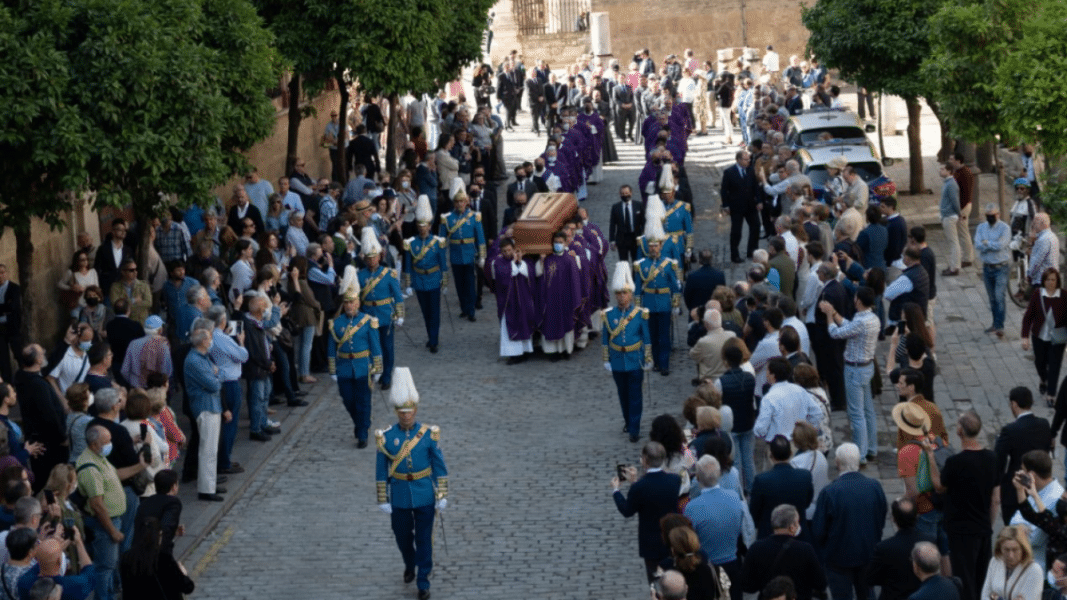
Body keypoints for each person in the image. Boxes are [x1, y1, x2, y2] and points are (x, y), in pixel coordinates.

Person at [375, 367, 447, 600]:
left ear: (416, 410)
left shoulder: (428, 435)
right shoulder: (386, 437)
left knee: (424, 539)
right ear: (397, 412)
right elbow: (380, 470)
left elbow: (439, 465)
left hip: (425, 493)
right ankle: (409, 562)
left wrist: (442, 493)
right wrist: (383, 498)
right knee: (402, 536)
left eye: (410, 411)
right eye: (403, 412)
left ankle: (423, 581)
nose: (407, 416)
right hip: (400, 496)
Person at [928, 410, 999, 600]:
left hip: (961, 532)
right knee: (982, 579)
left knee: (964, 583)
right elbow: (995, 499)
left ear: (959, 430)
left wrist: (929, 456)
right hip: (983, 530)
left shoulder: (955, 462)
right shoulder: (992, 459)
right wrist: (988, 526)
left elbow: (938, 486)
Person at [812, 443, 888, 600]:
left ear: (837, 463)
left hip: (837, 559)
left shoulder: (829, 492)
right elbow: (881, 517)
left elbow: (819, 531)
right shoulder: (874, 487)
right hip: (867, 554)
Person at [76, 425, 143, 600]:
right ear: (94, 444)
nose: (110, 444)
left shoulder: (99, 458)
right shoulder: (90, 468)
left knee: (111, 564)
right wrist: (112, 531)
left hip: (115, 519)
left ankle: (112, 591)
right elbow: (97, 505)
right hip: (106, 523)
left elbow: (116, 474)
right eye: (106, 442)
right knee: (105, 566)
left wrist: (140, 466)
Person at [684, 455, 755, 600]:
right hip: (732, 564)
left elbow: (690, 540)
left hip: (706, 568)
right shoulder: (734, 497)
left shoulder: (691, 508)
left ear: (697, 478)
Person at [823, 286, 881, 462]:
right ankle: (871, 448)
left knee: (856, 414)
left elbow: (835, 333)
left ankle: (860, 455)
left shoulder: (861, 321)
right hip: (867, 367)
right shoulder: (871, 318)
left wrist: (828, 315)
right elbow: (851, 327)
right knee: (868, 410)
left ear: (859, 301)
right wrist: (835, 315)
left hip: (855, 370)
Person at [612, 441, 682, 582]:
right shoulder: (675, 480)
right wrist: (635, 482)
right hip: (672, 538)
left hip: (650, 544)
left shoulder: (640, 487)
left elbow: (627, 510)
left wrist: (616, 490)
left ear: (644, 460)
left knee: (655, 582)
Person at [329, 268, 383, 447]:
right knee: (348, 400)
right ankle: (359, 423)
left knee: (363, 401)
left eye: (352, 302)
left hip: (363, 367)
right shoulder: (337, 323)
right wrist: (332, 370)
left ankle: (363, 432)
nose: (349, 306)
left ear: (358, 303)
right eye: (346, 303)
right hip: (344, 368)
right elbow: (332, 348)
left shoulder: (368, 321)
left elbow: (375, 347)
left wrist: (378, 368)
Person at [603, 263, 652, 443]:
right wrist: (606, 359)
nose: (622, 297)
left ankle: (635, 428)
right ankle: (627, 420)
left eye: (624, 293)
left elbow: (646, 337)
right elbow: (604, 338)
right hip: (617, 361)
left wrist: (647, 357)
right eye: (618, 293)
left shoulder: (640, 314)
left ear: (631, 294)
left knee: (635, 396)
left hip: (634, 360)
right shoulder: (608, 315)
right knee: (623, 396)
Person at [740, 504, 826, 600]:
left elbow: (747, 586)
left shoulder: (756, 548)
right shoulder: (805, 549)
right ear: (792, 526)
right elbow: (821, 583)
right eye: (797, 522)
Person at [12, 345, 68, 490]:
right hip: (48, 444)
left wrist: (65, 343)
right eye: (42, 353)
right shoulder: (38, 385)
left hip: (38, 438)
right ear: (37, 359)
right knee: (49, 483)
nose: (44, 354)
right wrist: (62, 438)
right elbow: (49, 415)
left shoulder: (22, 376)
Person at [183, 323, 228, 501]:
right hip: (205, 406)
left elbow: (215, 377)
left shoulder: (203, 357)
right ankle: (206, 489)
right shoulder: (195, 360)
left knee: (211, 449)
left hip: (211, 404)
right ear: (202, 341)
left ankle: (210, 483)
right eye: (209, 339)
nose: (211, 342)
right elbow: (214, 384)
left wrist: (217, 374)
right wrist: (219, 375)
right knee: (208, 450)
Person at [995, 387, 1052, 524]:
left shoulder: (1010, 430)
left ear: (1014, 404)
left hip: (1015, 488)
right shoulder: (1044, 424)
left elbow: (998, 461)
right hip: (1040, 486)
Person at [357, 228, 404, 391]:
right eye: (368, 258)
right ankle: (373, 373)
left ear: (379, 256)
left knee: (387, 347)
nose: (371, 260)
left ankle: (386, 377)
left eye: (374, 257)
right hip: (368, 315)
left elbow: (397, 296)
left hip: (385, 315)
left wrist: (400, 315)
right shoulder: (360, 276)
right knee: (370, 347)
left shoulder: (388, 273)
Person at [404, 196, 448, 353]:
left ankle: (434, 340)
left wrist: (445, 282)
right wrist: (408, 284)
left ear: (430, 226)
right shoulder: (411, 243)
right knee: (425, 312)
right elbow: (408, 265)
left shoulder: (437, 242)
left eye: (425, 225)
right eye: (420, 225)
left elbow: (443, 264)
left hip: (434, 279)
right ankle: (430, 336)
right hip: (419, 280)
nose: (423, 228)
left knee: (434, 311)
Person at [866, 498, 935, 600]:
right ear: (916, 516)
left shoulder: (884, 547)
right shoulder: (930, 541)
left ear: (894, 519)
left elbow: (871, 578)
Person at [749, 436, 814, 539]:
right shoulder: (805, 476)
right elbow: (807, 502)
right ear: (790, 453)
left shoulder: (761, 480)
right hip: (798, 533)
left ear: (771, 455)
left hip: (770, 534)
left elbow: (754, 511)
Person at [1009, 450, 1064, 569]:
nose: (1019, 473)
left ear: (1032, 475)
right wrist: (1020, 527)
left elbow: (1034, 538)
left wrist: (1018, 528)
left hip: (1039, 567)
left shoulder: (1055, 499)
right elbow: (1015, 519)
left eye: (1023, 470)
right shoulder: (1037, 490)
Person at [439, 186, 486, 322]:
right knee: (459, 285)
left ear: (466, 202)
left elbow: (480, 238)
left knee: (470, 283)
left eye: (462, 201)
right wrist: (441, 258)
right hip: (455, 254)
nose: (459, 204)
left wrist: (482, 256)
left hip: (469, 254)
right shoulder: (447, 218)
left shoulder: (474, 217)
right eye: (457, 202)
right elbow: (442, 240)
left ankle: (471, 310)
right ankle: (464, 308)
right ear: (454, 203)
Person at [119, 517, 194, 600]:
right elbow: (188, 587)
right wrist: (183, 573)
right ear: (159, 535)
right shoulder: (164, 558)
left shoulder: (127, 557)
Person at [752, 358, 823, 443]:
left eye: (767, 371)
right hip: (800, 441)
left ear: (772, 375)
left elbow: (761, 428)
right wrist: (806, 429)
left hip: (779, 445)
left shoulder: (769, 398)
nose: (766, 374)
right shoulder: (800, 390)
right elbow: (817, 413)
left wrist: (762, 433)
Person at [1025, 268, 1067, 408]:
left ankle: (1051, 395)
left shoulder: (1064, 296)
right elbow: (1028, 316)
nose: (1050, 283)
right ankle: (1043, 379)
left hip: (1057, 339)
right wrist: (1024, 336)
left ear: (1057, 281)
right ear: (1044, 281)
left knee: (1054, 366)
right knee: (1039, 363)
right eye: (1048, 280)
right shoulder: (1038, 294)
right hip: (1039, 336)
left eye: (1053, 280)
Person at [489, 238, 535, 364]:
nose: (507, 253)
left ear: (514, 249)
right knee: (509, 326)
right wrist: (514, 263)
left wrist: (520, 262)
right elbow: (504, 276)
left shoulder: (524, 260)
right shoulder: (498, 262)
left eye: (509, 250)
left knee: (524, 324)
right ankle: (513, 354)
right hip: (508, 302)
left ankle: (525, 351)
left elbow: (529, 273)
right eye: (504, 251)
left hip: (522, 300)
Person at [974, 203, 1012, 337]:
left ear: (998, 214)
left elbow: (1001, 245)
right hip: (987, 267)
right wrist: (990, 244)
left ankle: (1000, 326)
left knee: (999, 296)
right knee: (992, 298)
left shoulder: (1005, 228)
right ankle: (995, 323)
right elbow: (978, 244)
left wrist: (987, 243)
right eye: (988, 215)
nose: (990, 218)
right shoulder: (981, 227)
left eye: (992, 215)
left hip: (1001, 267)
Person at [656, 525, 725, 600]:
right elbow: (717, 592)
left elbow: (659, 593)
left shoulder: (665, 567)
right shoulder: (708, 565)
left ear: (673, 549)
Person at [979, 526, 1044, 600]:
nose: (1011, 556)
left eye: (1015, 550)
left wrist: (996, 598)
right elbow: (984, 596)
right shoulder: (995, 561)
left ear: (1023, 549)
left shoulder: (1034, 570)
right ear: (1000, 548)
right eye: (1006, 550)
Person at [721, 151, 761, 264]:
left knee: (756, 226)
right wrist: (725, 205)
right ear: (738, 160)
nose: (748, 161)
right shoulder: (729, 172)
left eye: (749, 159)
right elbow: (724, 190)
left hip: (750, 205)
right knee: (736, 231)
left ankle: (752, 251)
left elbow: (755, 187)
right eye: (745, 159)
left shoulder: (750, 170)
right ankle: (735, 255)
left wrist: (758, 200)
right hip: (736, 206)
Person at [134, 470, 183, 557]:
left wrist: (174, 530)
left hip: (138, 550)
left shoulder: (147, 502)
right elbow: (166, 528)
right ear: (174, 487)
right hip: (156, 554)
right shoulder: (173, 502)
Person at [690, 308, 737, 383]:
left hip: (709, 381)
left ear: (706, 324)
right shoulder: (732, 335)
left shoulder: (703, 342)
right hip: (728, 379)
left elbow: (693, 355)